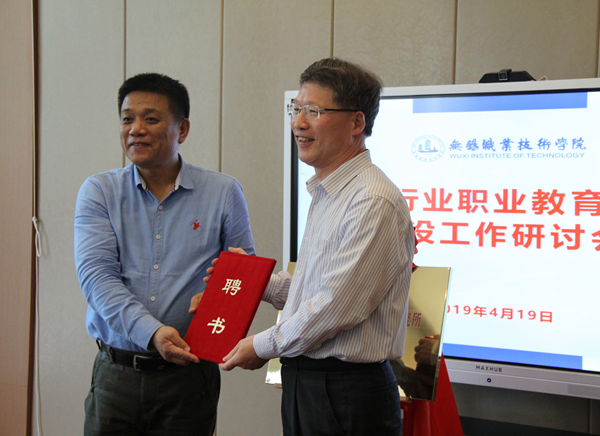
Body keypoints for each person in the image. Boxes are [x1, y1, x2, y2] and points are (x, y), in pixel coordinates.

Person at [209, 58, 415, 435]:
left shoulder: (371, 200)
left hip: (346, 391)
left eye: (314, 111)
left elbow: (335, 307)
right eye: (296, 109)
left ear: (356, 123)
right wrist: (255, 279)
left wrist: (262, 345)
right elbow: (316, 291)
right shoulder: (328, 191)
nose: (298, 123)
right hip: (311, 383)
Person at [74, 72, 255, 436]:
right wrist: (152, 332)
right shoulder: (100, 191)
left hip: (189, 377)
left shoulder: (222, 192)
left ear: (182, 129)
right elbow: (97, 278)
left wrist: (219, 301)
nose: (135, 130)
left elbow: (242, 274)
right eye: (127, 119)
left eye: (151, 119)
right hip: (117, 373)